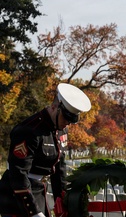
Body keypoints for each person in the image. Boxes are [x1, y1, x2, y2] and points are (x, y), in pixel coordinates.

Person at [0, 83, 91, 217]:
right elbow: (18, 173)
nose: (67, 123)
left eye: (71, 120)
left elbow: (59, 169)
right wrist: (34, 212)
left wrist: (63, 203)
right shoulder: (29, 130)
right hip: (16, 197)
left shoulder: (60, 131)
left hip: (39, 191)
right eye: (65, 117)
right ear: (55, 107)